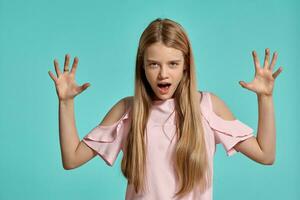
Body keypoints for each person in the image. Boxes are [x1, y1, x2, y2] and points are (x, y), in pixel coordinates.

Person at [48, 18, 283, 200]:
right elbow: (71, 159)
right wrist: (66, 103)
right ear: (142, 67)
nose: (163, 74)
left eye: (173, 64)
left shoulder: (207, 107)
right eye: (153, 64)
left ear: (185, 66)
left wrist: (265, 98)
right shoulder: (127, 110)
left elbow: (265, 154)